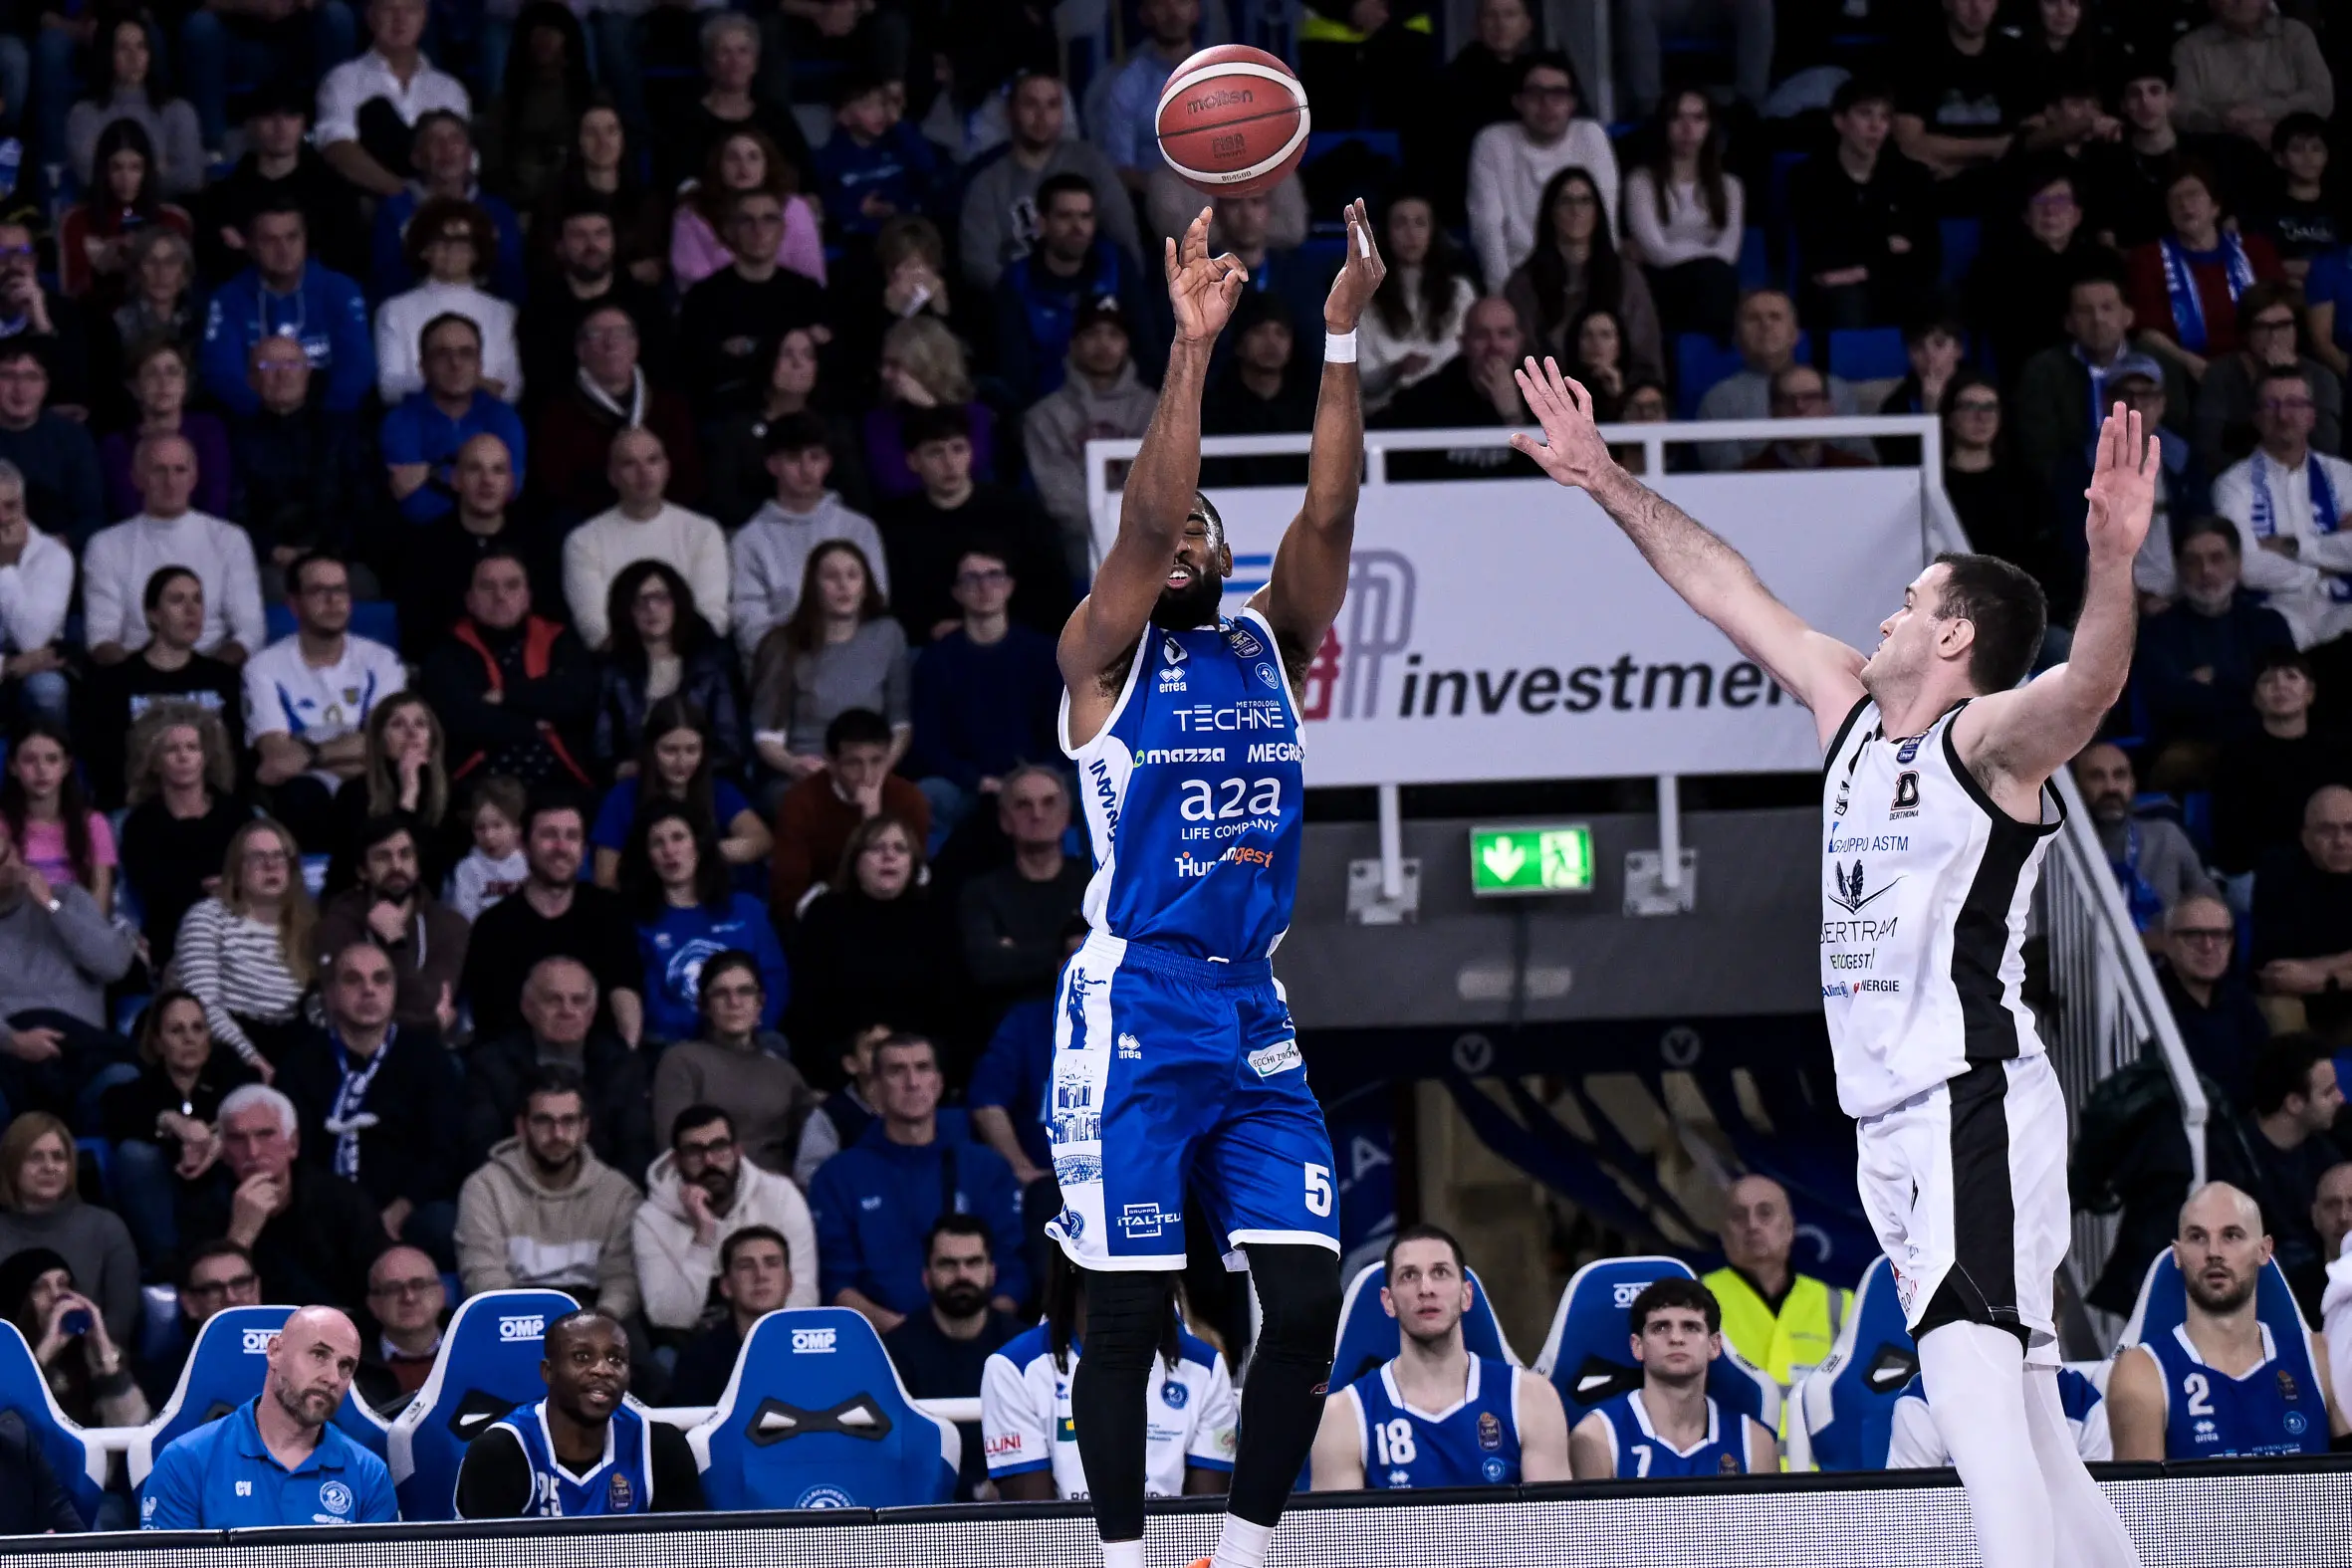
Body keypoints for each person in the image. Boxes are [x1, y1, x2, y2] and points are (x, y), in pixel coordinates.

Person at [1512, 359, 2155, 1560]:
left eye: (1907, 602)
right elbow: (1725, 589)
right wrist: (1603, 478)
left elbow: (2094, 682)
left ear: (1954, 633)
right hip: (1892, 1124)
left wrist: (2111, 561)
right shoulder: (1846, 712)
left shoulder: (1988, 741)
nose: (1883, 616)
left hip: (1971, 1100)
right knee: (2024, 1422)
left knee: (1967, 1396)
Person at [1041, 200, 1385, 1568]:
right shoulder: (1101, 652)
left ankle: (1238, 1558)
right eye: (1167, 533)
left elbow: (1332, 506)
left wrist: (1341, 333)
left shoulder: (1267, 642)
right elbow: (1140, 515)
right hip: (1131, 1001)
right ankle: (1123, 1562)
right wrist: (1189, 349)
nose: (1182, 542)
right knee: (1121, 1312)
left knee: (1303, 1301)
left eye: (1203, 536)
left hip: (1247, 1000)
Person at [1311, 1225, 1570, 1488]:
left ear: (1466, 1295)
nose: (1426, 1288)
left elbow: (1553, 1527)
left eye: (1440, 1273)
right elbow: (1339, 1531)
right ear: (1388, 1302)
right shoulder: (1343, 1416)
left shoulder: (1532, 1400)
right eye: (1409, 1275)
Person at [2108, 1181, 2344, 1458]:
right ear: (2178, 1254)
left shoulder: (2323, 1358)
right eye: (2197, 1237)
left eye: (2231, 1235)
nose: (2214, 1252)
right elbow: (2140, 1501)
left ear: (2264, 1250)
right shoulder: (2141, 1373)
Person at [983, 1243, 1237, 1501]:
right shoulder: (1013, 1369)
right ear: (1074, 1256)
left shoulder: (1205, 1368)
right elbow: (1038, 1528)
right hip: (1068, 1541)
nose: (1129, 1260)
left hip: (1173, 1541)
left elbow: (1204, 1521)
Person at [808, 1032, 1025, 1328]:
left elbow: (1012, 1269)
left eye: (922, 1068)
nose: (912, 1083)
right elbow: (836, 1282)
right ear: (876, 1088)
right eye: (897, 1071)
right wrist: (907, 1338)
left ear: (938, 1083)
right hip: (880, 1347)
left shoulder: (986, 1168)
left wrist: (978, 1333)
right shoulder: (838, 1177)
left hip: (978, 1345)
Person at [276, 941, 461, 1262]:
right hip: (322, 1211)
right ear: (330, 994)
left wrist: (400, 1209)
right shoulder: (299, 1063)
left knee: (443, 1223)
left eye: (380, 979)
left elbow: (446, 1152)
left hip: (407, 1211)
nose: (368, 990)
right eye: (353, 980)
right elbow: (295, 1156)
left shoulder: (428, 1058)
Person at [139, 1305, 395, 1527]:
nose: (332, 1378)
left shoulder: (369, 1475)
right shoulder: (185, 1462)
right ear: (274, 1351)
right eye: (319, 1355)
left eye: (345, 1366)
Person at [456, 1308, 702, 1516]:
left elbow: (685, 1553)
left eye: (616, 1359)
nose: (603, 1370)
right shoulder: (500, 1453)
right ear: (548, 1372)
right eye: (582, 1357)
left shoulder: (660, 1448)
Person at [244, 553, 405, 849]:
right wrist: (355, 750)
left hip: (363, 787)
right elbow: (277, 762)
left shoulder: (382, 661)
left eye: (340, 590)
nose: (333, 600)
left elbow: (387, 746)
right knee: (301, 796)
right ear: (293, 604)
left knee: (366, 794)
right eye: (319, 591)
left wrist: (312, 753)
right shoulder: (264, 667)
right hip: (303, 796)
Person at [454, 1066, 641, 1317]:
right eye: (544, 1121)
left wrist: (600, 1322)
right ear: (521, 1127)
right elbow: (482, 1275)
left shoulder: (618, 1192)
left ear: (585, 1127)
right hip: (515, 1316)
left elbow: (622, 1279)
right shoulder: (485, 1188)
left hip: (596, 1315)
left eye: (569, 1121)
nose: (558, 1134)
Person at [877, 404, 1070, 645]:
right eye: (935, 453)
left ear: (972, 452)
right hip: (932, 646)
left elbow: (1051, 586)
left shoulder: (1017, 511)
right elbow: (896, 600)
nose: (949, 463)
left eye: (958, 449)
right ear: (913, 461)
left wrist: (997, 624)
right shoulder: (897, 524)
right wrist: (931, 629)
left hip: (1015, 638)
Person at [181, 1085, 387, 1310]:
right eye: (238, 1139)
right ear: (225, 1154)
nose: (253, 1152)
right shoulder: (205, 1207)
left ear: (293, 1144)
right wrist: (239, 1238)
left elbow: (378, 1282)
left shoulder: (342, 1200)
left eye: (265, 1135)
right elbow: (198, 1307)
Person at [903, 546, 1062, 834]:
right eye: (972, 578)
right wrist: (976, 780)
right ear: (957, 592)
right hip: (966, 787)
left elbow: (1064, 731)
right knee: (927, 794)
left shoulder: (1044, 654)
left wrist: (1034, 777)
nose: (984, 586)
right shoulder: (935, 661)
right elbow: (928, 743)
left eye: (994, 575)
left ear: (1010, 586)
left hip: (1039, 779)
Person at [460, 791, 642, 1040]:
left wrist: (628, 1055)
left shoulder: (609, 914)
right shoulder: (493, 926)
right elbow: (490, 1022)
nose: (561, 847)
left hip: (597, 1062)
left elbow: (625, 992)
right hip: (518, 1063)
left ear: (583, 850)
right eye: (548, 835)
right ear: (524, 846)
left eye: (571, 837)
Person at [84, 434, 266, 671]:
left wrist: (203, 675)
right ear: (137, 479)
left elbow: (249, 632)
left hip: (212, 673)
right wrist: (149, 679)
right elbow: (101, 639)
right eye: (158, 471)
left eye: (180, 470)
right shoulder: (105, 544)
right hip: (137, 678)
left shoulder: (229, 539)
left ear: (194, 477)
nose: (170, 481)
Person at [1564, 1276, 1777, 1479]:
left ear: (1714, 1345)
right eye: (1661, 1327)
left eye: (1690, 1327)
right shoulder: (1597, 1436)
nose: (1676, 1338)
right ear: (1637, 1346)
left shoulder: (1754, 1441)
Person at [419, 551, 598, 790]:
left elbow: (577, 697)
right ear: (470, 600)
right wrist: (533, 724)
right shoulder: (447, 652)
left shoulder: (560, 639)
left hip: (559, 778)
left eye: (512, 586)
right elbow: (461, 718)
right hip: (478, 782)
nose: (500, 596)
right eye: (487, 587)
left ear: (527, 597)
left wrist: (507, 696)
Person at [2136, 520, 2297, 785]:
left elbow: (2290, 690)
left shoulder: (2269, 623)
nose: (2206, 571)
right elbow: (2170, 702)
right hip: (2196, 747)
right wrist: (2250, 685)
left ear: (2237, 564)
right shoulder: (2158, 631)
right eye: (2193, 561)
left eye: (2217, 559)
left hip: (2268, 737)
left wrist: (2215, 678)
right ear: (2178, 568)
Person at [99, 991, 253, 1264]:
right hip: (166, 1201)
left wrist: (219, 1139)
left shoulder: (231, 1073)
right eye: (176, 1030)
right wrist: (169, 1121)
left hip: (221, 1198)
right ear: (158, 1042)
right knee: (134, 1155)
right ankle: (169, 1266)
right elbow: (115, 1113)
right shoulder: (143, 1087)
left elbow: (252, 1105)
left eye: (198, 1028)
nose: (189, 1039)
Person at [462, 957, 651, 1180]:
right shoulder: (490, 1064)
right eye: (553, 1000)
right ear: (527, 1007)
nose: (567, 1010)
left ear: (591, 1013)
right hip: (513, 1195)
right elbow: (480, 1151)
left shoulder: (623, 1066)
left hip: (601, 1197)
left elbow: (636, 1153)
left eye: (578, 1001)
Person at [635, 1103, 818, 1333]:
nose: (709, 1161)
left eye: (719, 1147)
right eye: (694, 1151)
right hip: (691, 1342)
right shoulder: (651, 1219)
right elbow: (667, 1317)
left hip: (771, 1336)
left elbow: (803, 1293)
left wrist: (764, 1341)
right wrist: (703, 1239)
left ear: (738, 1151)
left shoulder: (780, 1196)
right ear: (675, 1160)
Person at [881, 1214, 1025, 1499]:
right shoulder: (894, 1352)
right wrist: (975, 1490)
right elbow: (894, 1449)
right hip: (927, 1509)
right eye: (948, 1264)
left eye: (973, 1263)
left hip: (1016, 1503)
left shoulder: (1023, 1347)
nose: (962, 1275)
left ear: (992, 1271)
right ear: (926, 1276)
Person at [787, 812, 958, 1050]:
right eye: (877, 848)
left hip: (918, 1060)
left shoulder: (936, 915)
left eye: (900, 849)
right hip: (843, 1058)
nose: (889, 856)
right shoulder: (825, 914)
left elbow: (953, 1004)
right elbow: (808, 1004)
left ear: (913, 862)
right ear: (856, 861)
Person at [622, 805, 789, 1046]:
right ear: (648, 857)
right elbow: (651, 1001)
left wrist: (746, 1023)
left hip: (751, 1037)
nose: (669, 851)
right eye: (658, 843)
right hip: (679, 1044)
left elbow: (774, 977)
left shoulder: (746, 909)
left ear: (698, 846)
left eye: (678, 838)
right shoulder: (639, 923)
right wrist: (711, 1028)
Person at [729, 412, 889, 660]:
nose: (806, 469)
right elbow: (750, 620)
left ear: (828, 463)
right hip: (784, 668)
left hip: (853, 661)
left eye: (815, 457)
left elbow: (876, 600)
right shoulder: (749, 539)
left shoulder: (859, 528)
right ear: (773, 465)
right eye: (794, 459)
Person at [2213, 363, 2352, 649]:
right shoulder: (2232, 484)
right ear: (2257, 417)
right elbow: (2246, 565)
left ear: (2312, 416)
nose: (2283, 416)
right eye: (2271, 405)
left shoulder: (2343, 475)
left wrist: (2293, 547)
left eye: (2295, 404)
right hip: (2275, 613)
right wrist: (2320, 571)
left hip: (2344, 608)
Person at [959, 70, 1136, 294]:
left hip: (1090, 298)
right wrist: (1023, 299)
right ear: (1009, 111)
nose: (1042, 116)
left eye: (1052, 105)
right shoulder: (987, 183)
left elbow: (1123, 235)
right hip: (1018, 305)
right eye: (1031, 104)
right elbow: (978, 265)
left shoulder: (1091, 163)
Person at [2014, 274, 2196, 490]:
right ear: (2069, 323)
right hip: (2071, 489)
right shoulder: (2043, 371)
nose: (2097, 319)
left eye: (2107, 308)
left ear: (2128, 316)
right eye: (2084, 311)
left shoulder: (2161, 363)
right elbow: (2040, 450)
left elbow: (2178, 429)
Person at [1787, 78, 1941, 332]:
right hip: (1836, 295)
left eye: (1884, 117)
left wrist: (1861, 270)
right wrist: (1887, 246)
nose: (1876, 126)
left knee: (1933, 299)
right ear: (1840, 121)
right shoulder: (1808, 178)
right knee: (1846, 298)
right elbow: (1821, 255)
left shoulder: (1912, 177)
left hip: (1896, 285)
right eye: (1865, 114)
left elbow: (1929, 257)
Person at [748, 541, 907, 784]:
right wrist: (794, 764)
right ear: (813, 587)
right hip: (805, 772)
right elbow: (767, 736)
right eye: (831, 577)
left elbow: (901, 725)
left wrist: (879, 769)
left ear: (865, 586)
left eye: (853, 576)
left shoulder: (888, 634)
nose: (844, 585)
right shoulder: (781, 643)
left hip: (870, 771)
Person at [197, 199, 373, 419]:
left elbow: (358, 366)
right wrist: (264, 418)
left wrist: (322, 417)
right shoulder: (229, 298)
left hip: (329, 421)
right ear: (250, 246)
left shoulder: (340, 290)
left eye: (292, 237)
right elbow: (221, 373)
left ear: (306, 239)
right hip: (252, 423)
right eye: (270, 240)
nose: (283, 250)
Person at [991, 173, 1155, 406]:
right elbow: (1016, 374)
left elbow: (1147, 349)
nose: (1078, 227)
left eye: (1085, 216)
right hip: (1048, 411)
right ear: (1042, 224)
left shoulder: (1116, 265)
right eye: (1065, 217)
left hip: (1124, 404)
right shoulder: (1015, 282)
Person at [530, 306, 700, 522]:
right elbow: (556, 487)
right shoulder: (557, 414)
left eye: (620, 333)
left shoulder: (670, 405)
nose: (610, 344)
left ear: (635, 346)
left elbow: (689, 477)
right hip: (591, 525)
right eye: (597, 335)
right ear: (580, 350)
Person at [649, 950, 812, 1175]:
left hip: (777, 1194)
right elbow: (670, 1152)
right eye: (720, 993)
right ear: (703, 1005)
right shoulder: (682, 1060)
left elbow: (816, 1140)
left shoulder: (783, 1071)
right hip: (708, 1189)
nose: (734, 1002)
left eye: (745, 991)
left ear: (760, 1002)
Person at [1466, 53, 1618, 292]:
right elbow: (1488, 228)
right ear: (1517, 101)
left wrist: (1607, 281)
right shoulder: (1492, 142)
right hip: (1521, 279)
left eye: (1558, 94)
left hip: (1586, 277)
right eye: (1536, 94)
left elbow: (1607, 219)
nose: (1547, 105)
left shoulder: (1591, 135)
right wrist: (1503, 294)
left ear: (1572, 102)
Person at [564, 430, 729, 649]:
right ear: (612, 476)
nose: (644, 472)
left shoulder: (703, 531)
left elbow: (711, 613)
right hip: (619, 664)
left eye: (652, 460)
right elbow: (594, 625)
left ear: (667, 469)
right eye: (629, 464)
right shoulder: (583, 541)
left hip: (692, 659)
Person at [228, 335, 377, 575]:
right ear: (251, 379)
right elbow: (234, 512)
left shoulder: (343, 432)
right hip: (264, 562)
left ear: (308, 372)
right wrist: (271, 550)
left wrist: (325, 551)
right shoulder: (236, 438)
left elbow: (362, 505)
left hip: (338, 557)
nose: (283, 374)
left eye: (292, 364)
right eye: (268, 366)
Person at [677, 188, 828, 422]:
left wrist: (749, 351)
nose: (759, 230)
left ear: (782, 230)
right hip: (732, 418)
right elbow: (698, 370)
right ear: (729, 231)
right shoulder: (703, 297)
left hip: (803, 415)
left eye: (769, 220)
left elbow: (826, 364)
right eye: (747, 221)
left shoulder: (807, 292)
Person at [192, 86, 366, 284]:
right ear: (250, 125)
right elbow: (211, 263)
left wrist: (251, 249)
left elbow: (348, 260)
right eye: (268, 117)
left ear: (303, 124)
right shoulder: (222, 195)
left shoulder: (335, 191)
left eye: (291, 116)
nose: (281, 126)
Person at [115, 705, 245, 969]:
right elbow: (152, 885)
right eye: (172, 750)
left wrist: (234, 887)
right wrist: (209, 887)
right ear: (153, 762)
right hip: (173, 937)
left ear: (206, 757)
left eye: (192, 748)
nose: (184, 757)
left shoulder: (237, 815)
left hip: (239, 932)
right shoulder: (141, 823)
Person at [2127, 164, 2284, 382]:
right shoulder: (2148, 258)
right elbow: (2147, 332)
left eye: (2193, 195)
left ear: (2216, 207)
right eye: (2175, 199)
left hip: (2257, 362)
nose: (2184, 204)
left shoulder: (2255, 250)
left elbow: (2281, 313)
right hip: (2183, 370)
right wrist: (2190, 363)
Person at [312, 815, 468, 1030]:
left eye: (405, 855)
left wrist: (396, 941)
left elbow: (430, 1003)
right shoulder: (337, 924)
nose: (396, 865)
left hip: (427, 1053)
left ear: (418, 865)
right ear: (362, 871)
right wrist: (428, 1025)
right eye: (382, 857)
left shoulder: (450, 925)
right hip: (358, 1046)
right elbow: (344, 1009)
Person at [595, 561, 749, 781]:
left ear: (678, 603)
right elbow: (602, 750)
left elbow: (730, 746)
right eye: (640, 601)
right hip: (636, 782)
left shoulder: (710, 664)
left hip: (704, 781)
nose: (652, 608)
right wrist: (623, 769)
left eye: (661, 598)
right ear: (624, 609)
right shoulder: (611, 670)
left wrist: (681, 769)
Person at [769, 709, 931, 914]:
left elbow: (919, 880)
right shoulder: (801, 803)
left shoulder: (909, 799)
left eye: (877, 761)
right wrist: (868, 830)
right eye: (854, 763)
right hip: (826, 919)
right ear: (831, 763)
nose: (867, 775)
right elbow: (788, 896)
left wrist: (873, 822)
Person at [1701, 1175, 1853, 1391]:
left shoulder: (1840, 1304)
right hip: (1734, 1426)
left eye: (1765, 1213)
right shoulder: (1695, 1298)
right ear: (1723, 1233)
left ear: (1790, 1227)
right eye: (1738, 1216)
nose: (1752, 1225)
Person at [588, 696, 764, 884]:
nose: (682, 762)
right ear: (651, 749)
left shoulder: (719, 791)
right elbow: (605, 877)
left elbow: (761, 839)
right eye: (670, 750)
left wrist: (700, 852)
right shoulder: (622, 797)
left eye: (692, 750)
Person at [0, 1113, 137, 1344]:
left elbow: (121, 1321)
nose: (49, 1167)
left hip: (92, 1365)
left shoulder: (106, 1228)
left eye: (58, 1157)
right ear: (12, 1165)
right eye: (35, 1158)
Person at [381, 314, 530, 527]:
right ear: (423, 366)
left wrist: (430, 471)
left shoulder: (503, 416)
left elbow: (510, 486)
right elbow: (415, 504)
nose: (456, 363)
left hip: (495, 538)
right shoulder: (400, 421)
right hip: (425, 540)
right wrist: (475, 485)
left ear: (479, 365)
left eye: (466, 353)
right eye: (442, 354)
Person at [366, 112, 527, 308]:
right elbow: (385, 284)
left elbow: (513, 284)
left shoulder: (498, 211)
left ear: (469, 155)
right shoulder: (395, 210)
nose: (447, 149)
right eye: (434, 141)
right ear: (417, 158)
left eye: (455, 139)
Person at [2213, 648, 2352, 875]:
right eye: (2267, 680)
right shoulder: (2237, 756)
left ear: (2310, 693)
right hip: (2267, 870)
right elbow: (2234, 838)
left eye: (2291, 676)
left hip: (2337, 861)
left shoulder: (2339, 751)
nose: (2280, 686)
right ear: (2256, 699)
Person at [1694, 291, 1866, 472]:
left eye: (1775, 317)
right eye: (1753, 318)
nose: (1766, 325)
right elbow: (1727, 476)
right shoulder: (1718, 400)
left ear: (1795, 333)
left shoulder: (1836, 389)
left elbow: (1865, 461)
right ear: (1736, 336)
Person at [374, 196, 523, 407]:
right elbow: (391, 389)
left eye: (463, 241)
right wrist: (465, 383)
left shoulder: (502, 312)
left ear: (477, 252)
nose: (452, 250)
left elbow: (511, 389)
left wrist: (447, 382)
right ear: (424, 249)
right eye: (442, 240)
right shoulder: (394, 310)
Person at [520, 196, 669, 403]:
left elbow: (663, 375)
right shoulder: (540, 309)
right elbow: (541, 385)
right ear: (560, 246)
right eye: (579, 235)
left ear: (614, 242)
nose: (592, 245)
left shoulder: (647, 302)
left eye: (601, 234)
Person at [1622, 90, 1743, 345]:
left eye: (1698, 118)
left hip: (1712, 284)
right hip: (1661, 282)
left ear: (1710, 126)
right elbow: (1657, 253)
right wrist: (1704, 254)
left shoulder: (1730, 186)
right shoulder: (1641, 182)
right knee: (1715, 278)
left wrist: (1691, 254)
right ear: (1664, 125)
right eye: (1677, 118)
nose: (1688, 128)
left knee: (1717, 278)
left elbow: (1729, 253)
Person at [316, 0, 470, 199]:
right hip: (370, 201)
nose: (400, 19)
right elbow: (336, 147)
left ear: (424, 17)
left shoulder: (449, 89)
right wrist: (406, 196)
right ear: (370, 16)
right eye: (389, 9)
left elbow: (467, 159)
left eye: (411, 10)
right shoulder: (343, 79)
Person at [960, 767, 1087, 1006]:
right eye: (1023, 805)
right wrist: (1068, 952)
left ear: (1067, 816)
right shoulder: (982, 892)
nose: (1037, 814)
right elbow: (987, 968)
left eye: (1049, 803)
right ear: (1005, 820)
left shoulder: (1096, 885)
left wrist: (1018, 953)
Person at [1892, 0, 2037, 206]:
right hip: (1932, 185)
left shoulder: (2015, 55)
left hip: (2002, 187)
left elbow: (2029, 137)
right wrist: (1992, 148)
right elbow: (1909, 143)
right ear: (1947, 3)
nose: (1976, 7)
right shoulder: (1918, 54)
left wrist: (1962, 165)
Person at [2194, 283, 2344, 476]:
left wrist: (2290, 377)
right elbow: (2206, 449)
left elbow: (2326, 449)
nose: (2273, 337)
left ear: (2297, 329)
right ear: (2247, 332)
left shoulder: (2322, 378)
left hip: (2305, 482)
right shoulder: (2221, 374)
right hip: (2237, 481)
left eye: (2283, 326)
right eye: (2262, 327)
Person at [2073, 741, 2219, 937]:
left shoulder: (2166, 836)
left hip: (2168, 960)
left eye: (2120, 775)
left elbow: (2211, 905)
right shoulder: (2061, 852)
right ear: (2076, 787)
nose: (2110, 787)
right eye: (2096, 777)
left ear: (2133, 784)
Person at [0, 1245, 146, 1430]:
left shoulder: (92, 1356)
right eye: (40, 1287)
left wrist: (103, 1350)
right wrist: (44, 1354)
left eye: (63, 1284)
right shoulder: (5, 1360)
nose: (56, 1295)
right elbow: (10, 1425)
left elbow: (137, 1430)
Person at [668, 128, 823, 295]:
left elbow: (810, 273)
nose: (743, 166)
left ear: (767, 165)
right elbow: (692, 281)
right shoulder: (692, 212)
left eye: (753, 157)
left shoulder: (794, 208)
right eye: (732, 158)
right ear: (718, 165)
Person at [2251, 786, 2352, 1038]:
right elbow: (2276, 973)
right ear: (2306, 838)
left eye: (2350, 829)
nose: (2341, 841)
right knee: (2278, 1008)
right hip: (2297, 1000)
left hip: (2340, 992)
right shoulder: (2277, 871)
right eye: (2327, 830)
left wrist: (2325, 979)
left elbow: (2302, 972)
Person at [864, 319, 1002, 504]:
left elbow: (970, 475)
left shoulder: (975, 416)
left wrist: (930, 409)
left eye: (895, 365)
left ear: (925, 365)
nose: (885, 374)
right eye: (884, 365)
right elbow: (896, 484)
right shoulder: (879, 422)